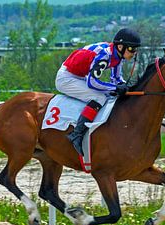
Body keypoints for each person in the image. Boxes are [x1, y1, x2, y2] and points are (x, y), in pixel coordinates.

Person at [55, 28, 141, 156]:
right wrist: (115, 88)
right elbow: (92, 82)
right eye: (132, 49)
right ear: (121, 46)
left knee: (109, 94)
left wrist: (123, 86)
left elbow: (116, 78)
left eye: (135, 50)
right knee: (99, 97)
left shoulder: (117, 55)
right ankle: (76, 134)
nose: (134, 53)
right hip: (67, 78)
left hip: (79, 76)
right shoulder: (104, 55)